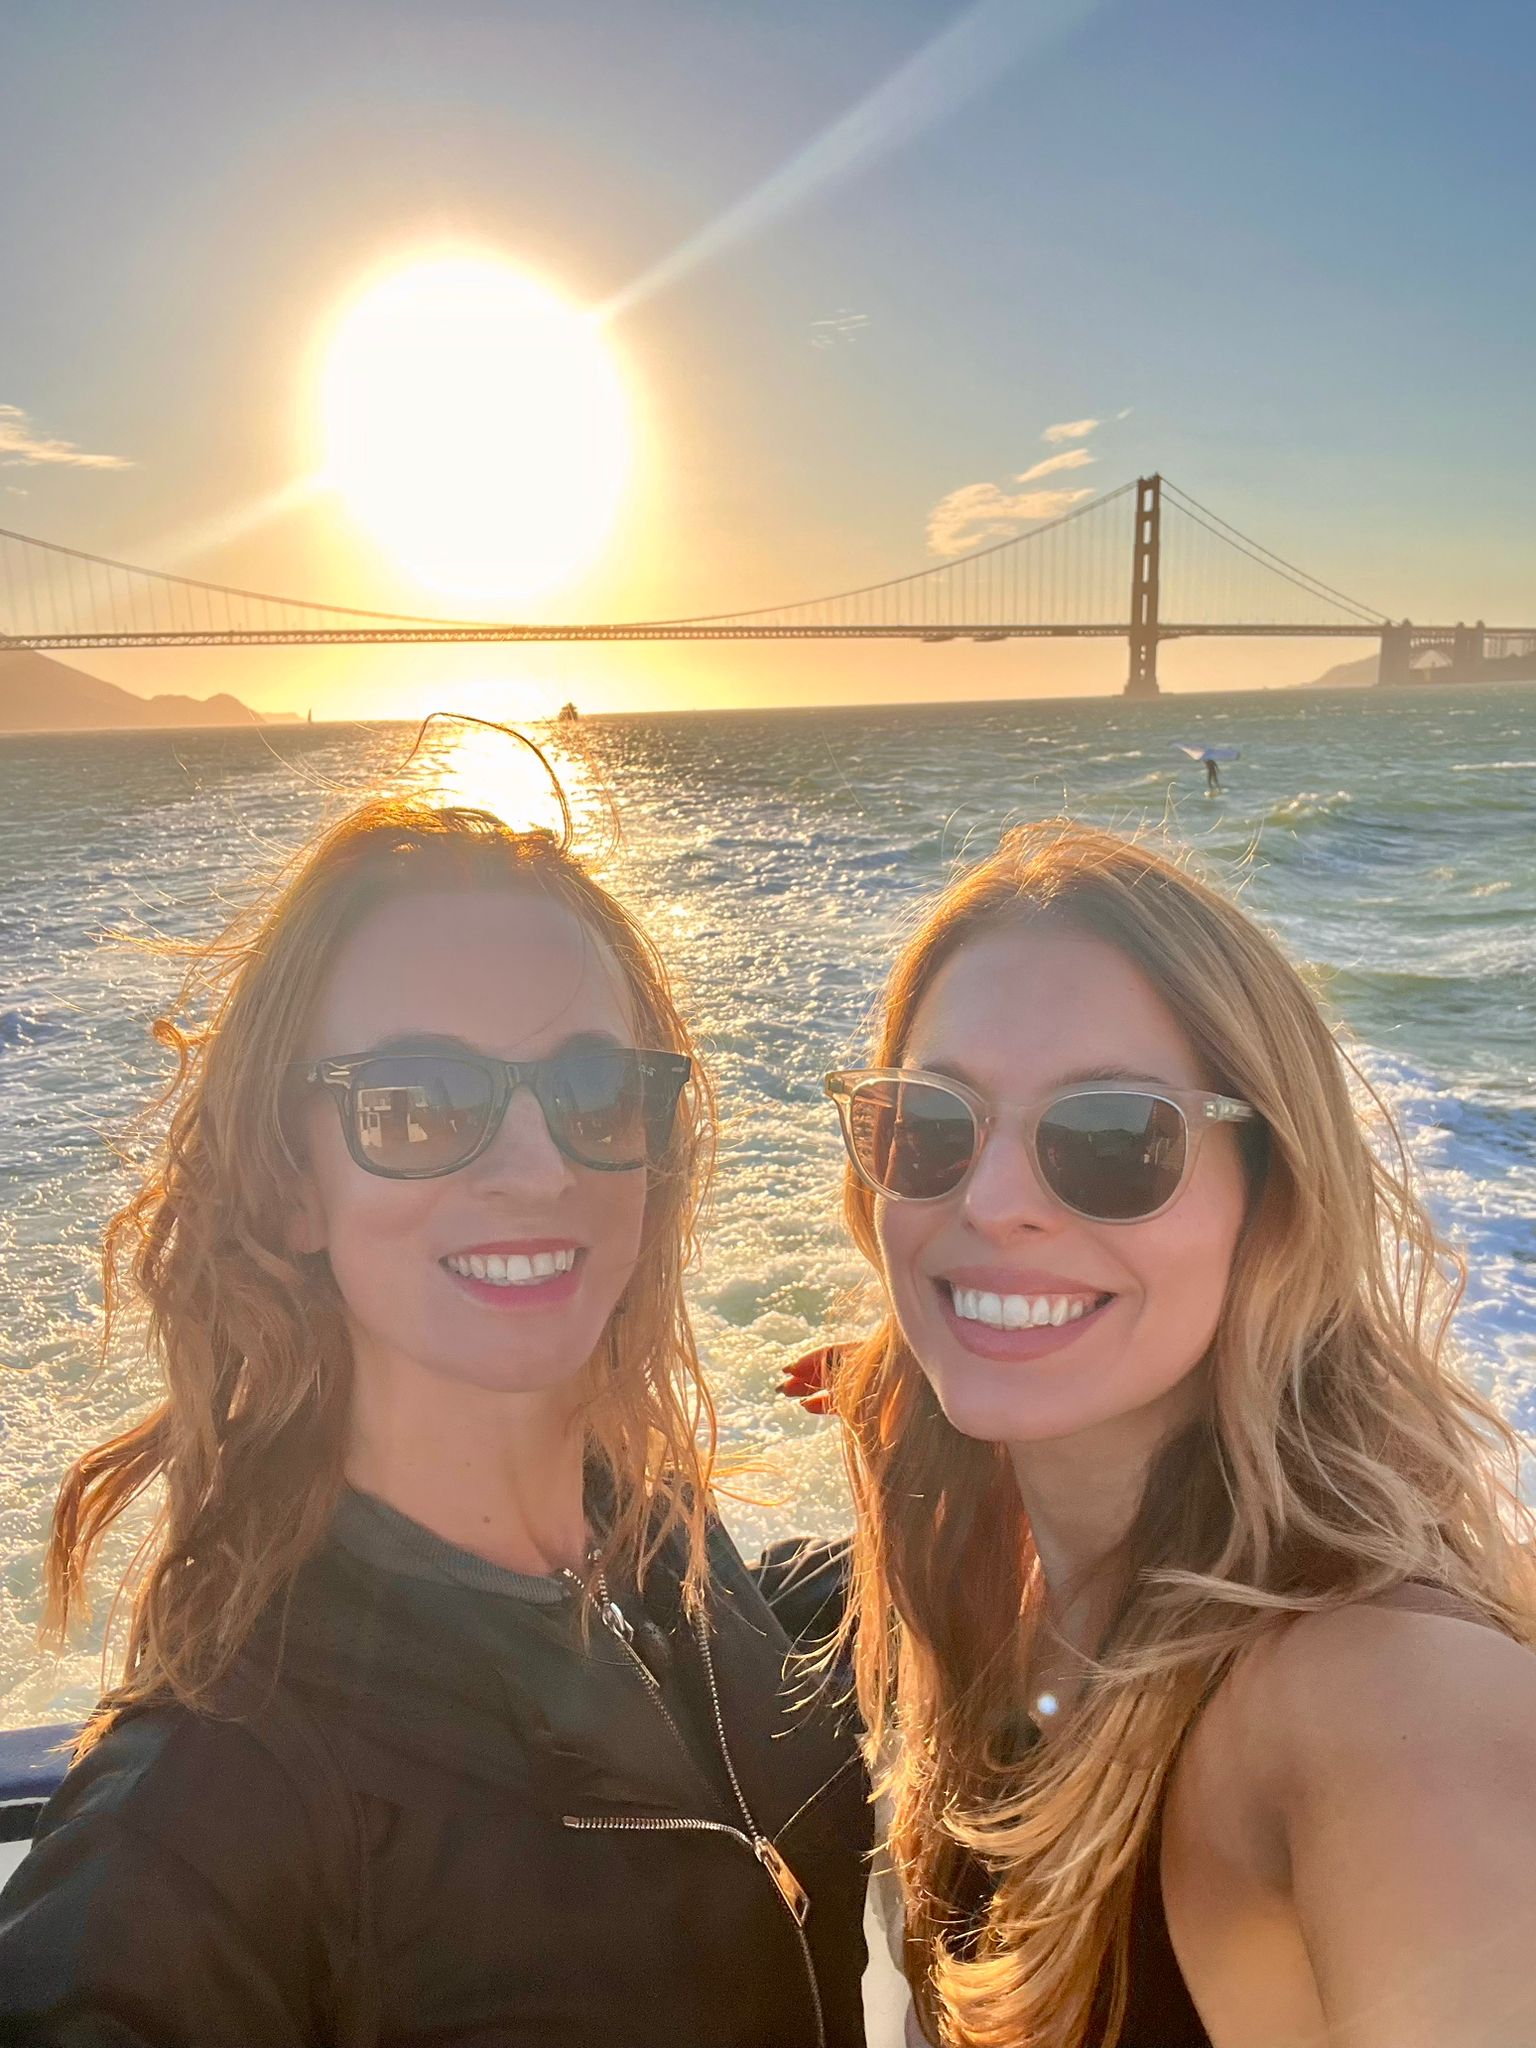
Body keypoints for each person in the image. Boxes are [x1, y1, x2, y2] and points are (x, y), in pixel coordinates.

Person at [0, 790, 871, 2046]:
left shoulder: (658, 1547)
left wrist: (982, 1429)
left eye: (592, 1088)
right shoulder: (212, 1808)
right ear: (292, 1182)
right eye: (418, 1102)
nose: (536, 1166)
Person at [820, 820, 1536, 2048]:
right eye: (929, 1126)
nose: (989, 1202)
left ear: (1274, 1194)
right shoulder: (988, 1589)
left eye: (1111, 1139)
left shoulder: (1384, 1706)